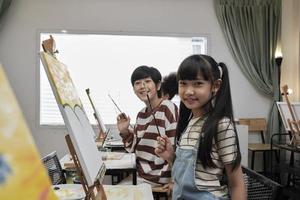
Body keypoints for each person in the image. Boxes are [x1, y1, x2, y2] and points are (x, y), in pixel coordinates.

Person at [155, 55, 246, 199]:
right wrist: (171, 157)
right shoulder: (189, 122)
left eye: (198, 83)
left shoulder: (221, 125)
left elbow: (237, 184)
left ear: (215, 86)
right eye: (183, 83)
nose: (188, 91)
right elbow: (194, 171)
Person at [117, 65, 178, 187]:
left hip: (158, 178)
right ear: (134, 90)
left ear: (158, 85)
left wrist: (174, 180)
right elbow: (134, 148)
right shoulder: (140, 115)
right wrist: (124, 131)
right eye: (138, 83)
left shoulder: (167, 107)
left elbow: (175, 148)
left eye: (147, 81)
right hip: (141, 175)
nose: (143, 86)